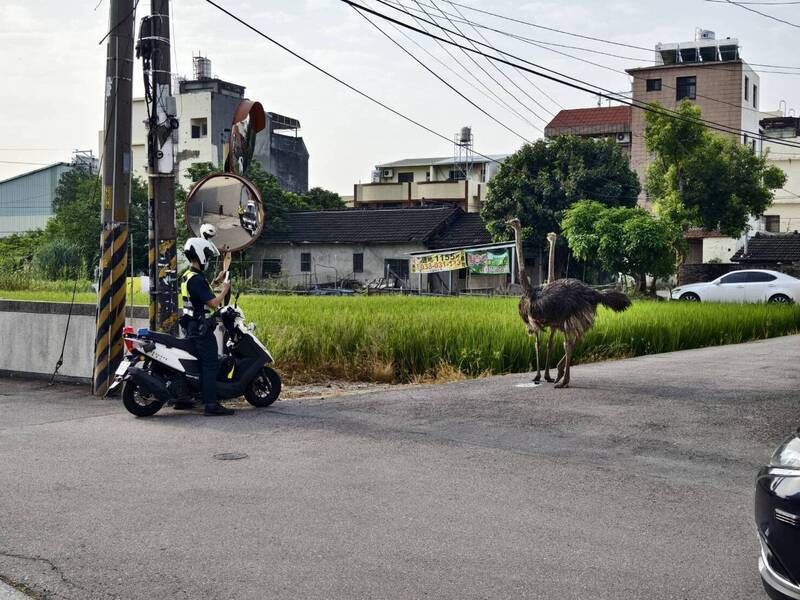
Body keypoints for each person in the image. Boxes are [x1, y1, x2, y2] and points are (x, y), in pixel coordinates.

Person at [180, 237, 234, 416]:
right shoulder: (196, 279)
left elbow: (200, 295)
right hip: (200, 329)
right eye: (208, 256)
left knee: (194, 363)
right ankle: (211, 404)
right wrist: (225, 289)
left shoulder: (188, 276)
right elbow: (212, 303)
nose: (209, 260)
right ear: (200, 255)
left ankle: (185, 398)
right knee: (210, 363)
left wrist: (216, 283)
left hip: (190, 326)